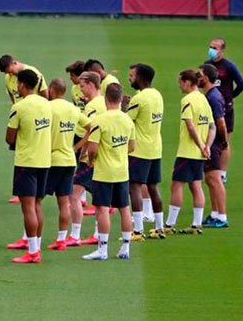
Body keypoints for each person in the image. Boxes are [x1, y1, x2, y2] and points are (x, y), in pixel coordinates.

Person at [81, 83, 137, 260]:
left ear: (106, 99)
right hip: (122, 171)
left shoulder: (100, 120)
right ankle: (126, 248)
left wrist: (91, 162)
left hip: (104, 172)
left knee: (102, 209)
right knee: (124, 208)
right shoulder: (128, 120)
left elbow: (92, 149)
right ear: (121, 99)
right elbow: (132, 147)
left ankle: (103, 250)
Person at [5, 69, 52, 264]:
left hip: (26, 161)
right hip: (44, 160)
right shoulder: (47, 104)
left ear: (23, 85)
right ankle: (37, 247)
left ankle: (32, 251)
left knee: (28, 207)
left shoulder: (19, 107)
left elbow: (9, 137)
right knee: (37, 204)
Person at [166, 69, 215, 234]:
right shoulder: (204, 99)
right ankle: (196, 224)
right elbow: (212, 126)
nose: (179, 85)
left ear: (187, 82)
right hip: (200, 154)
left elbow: (190, 125)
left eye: (180, 81)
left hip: (187, 151)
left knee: (176, 185)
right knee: (196, 185)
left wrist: (201, 145)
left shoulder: (187, 100)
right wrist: (207, 146)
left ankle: (170, 225)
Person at [45, 78, 87, 251]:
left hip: (52, 159)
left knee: (34, 201)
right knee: (64, 201)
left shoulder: (48, 108)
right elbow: (91, 126)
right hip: (69, 160)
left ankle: (31, 239)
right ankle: (61, 239)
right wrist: (77, 146)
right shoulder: (73, 108)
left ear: (52, 90)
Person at [126, 63, 167, 238]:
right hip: (155, 149)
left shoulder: (139, 99)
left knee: (134, 187)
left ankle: (138, 230)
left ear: (141, 77)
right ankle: (159, 228)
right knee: (153, 188)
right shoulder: (157, 95)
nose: (129, 78)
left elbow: (126, 122)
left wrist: (122, 107)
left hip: (139, 150)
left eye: (132, 75)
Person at [65, 71, 104, 246]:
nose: (80, 91)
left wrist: (78, 149)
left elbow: (91, 132)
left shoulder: (92, 107)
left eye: (82, 86)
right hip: (104, 155)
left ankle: (75, 235)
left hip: (91, 156)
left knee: (73, 194)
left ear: (90, 84)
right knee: (99, 195)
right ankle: (97, 233)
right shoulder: (104, 102)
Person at [205, 37, 243, 184]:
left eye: (215, 48)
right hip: (209, 107)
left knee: (224, 140)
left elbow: (241, 84)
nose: (212, 50)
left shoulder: (229, 67)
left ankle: (222, 173)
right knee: (208, 137)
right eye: (210, 47)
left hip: (225, 109)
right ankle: (210, 168)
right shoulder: (207, 65)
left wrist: (230, 97)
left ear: (222, 50)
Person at [200, 64, 230, 228]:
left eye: (200, 75)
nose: (198, 78)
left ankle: (222, 217)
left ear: (207, 77)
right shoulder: (211, 95)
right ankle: (215, 213)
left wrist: (224, 141)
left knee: (215, 179)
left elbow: (221, 122)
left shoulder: (213, 97)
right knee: (210, 180)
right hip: (212, 142)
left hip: (214, 143)